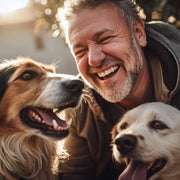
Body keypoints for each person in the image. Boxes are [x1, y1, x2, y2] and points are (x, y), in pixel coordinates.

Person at [58, 0, 180, 179]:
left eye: (105, 39)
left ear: (138, 33)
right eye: (81, 51)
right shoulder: (77, 108)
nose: (93, 59)